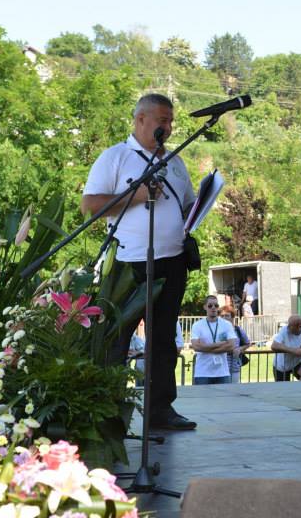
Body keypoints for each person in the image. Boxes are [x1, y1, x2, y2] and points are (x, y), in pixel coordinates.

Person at [82, 93, 198, 430]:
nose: (168, 127)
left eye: (171, 121)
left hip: (172, 261)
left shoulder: (175, 161)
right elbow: (89, 206)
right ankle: (108, 411)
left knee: (163, 340)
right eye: (162, 120)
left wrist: (202, 203)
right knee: (117, 339)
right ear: (140, 119)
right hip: (127, 263)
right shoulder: (116, 157)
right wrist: (139, 195)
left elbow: (187, 204)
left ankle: (160, 409)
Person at [190, 296, 238, 385]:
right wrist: (219, 344)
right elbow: (196, 347)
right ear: (205, 307)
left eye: (216, 305)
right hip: (202, 373)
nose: (213, 308)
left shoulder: (227, 324)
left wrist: (204, 347)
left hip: (222, 373)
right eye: (210, 306)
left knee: (224, 395)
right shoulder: (197, 325)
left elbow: (231, 345)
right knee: (202, 395)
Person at [220, 304, 251, 383]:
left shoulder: (238, 330)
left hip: (235, 366)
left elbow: (247, 343)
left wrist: (240, 349)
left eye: (227, 316)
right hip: (219, 366)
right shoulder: (217, 330)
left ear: (232, 317)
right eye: (222, 316)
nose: (224, 318)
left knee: (234, 387)